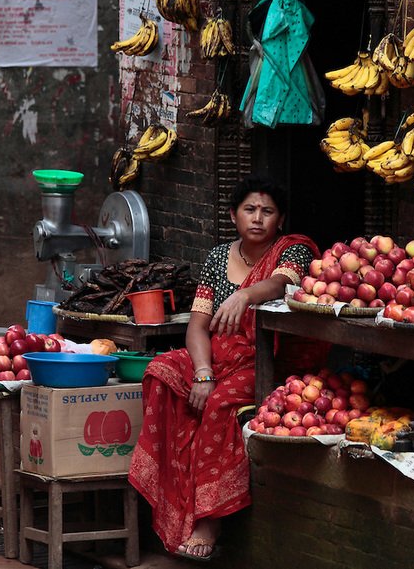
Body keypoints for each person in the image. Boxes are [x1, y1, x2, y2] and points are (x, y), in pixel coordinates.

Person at [128, 175, 319, 561]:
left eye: (267, 211)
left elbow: (284, 283)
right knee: (162, 373)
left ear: (279, 219)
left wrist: (246, 294)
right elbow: (198, 325)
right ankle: (171, 502)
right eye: (249, 209)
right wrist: (202, 372)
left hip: (263, 360)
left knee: (218, 406)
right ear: (234, 215)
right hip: (216, 356)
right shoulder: (218, 258)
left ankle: (208, 520)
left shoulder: (292, 251)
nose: (258, 218)